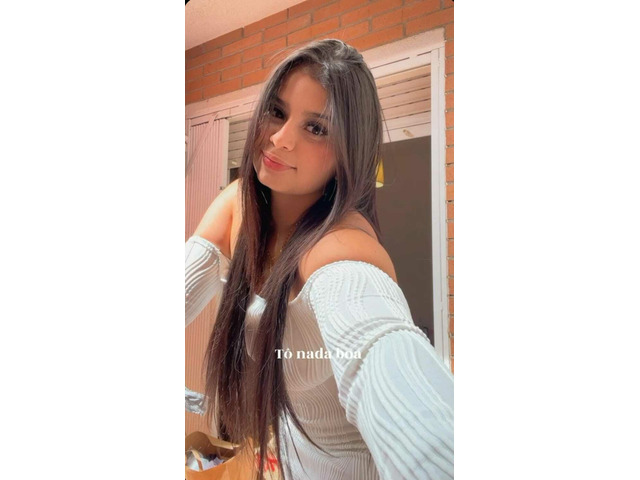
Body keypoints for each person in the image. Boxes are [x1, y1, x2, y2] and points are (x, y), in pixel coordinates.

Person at [185, 39, 453, 480]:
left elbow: (391, 373)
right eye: (277, 111)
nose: (279, 139)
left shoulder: (340, 248)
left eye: (315, 128)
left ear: (350, 150)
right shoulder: (238, 204)